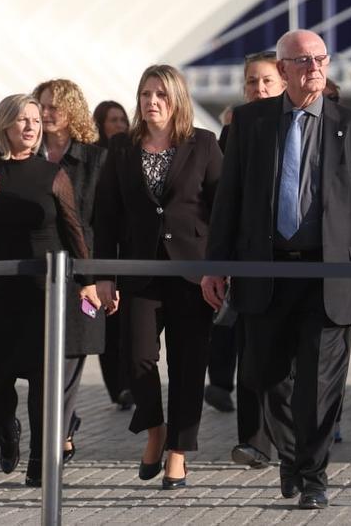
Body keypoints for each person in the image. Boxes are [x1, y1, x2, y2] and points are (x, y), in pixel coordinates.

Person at [203, 29, 351, 510]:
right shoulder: (249, 123)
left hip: (330, 276)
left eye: (320, 59)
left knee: (321, 381)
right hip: (266, 272)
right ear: (283, 69)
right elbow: (229, 203)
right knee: (266, 376)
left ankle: (313, 475)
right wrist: (215, 267)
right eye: (302, 61)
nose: (313, 67)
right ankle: (290, 454)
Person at [0, 94, 99, 488]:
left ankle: (40, 462)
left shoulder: (53, 173)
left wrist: (87, 282)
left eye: (35, 120)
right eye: (22, 120)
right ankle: (5, 431)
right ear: (4, 127)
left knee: (42, 380)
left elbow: (73, 230)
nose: (31, 127)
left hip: (44, 292)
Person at [93, 65, 223, 490]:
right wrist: (105, 275)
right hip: (140, 272)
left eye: (161, 95)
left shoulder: (203, 144)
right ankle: (155, 430)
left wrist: (219, 268)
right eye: (146, 94)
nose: (152, 102)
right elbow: (106, 216)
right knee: (137, 358)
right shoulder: (121, 148)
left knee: (189, 364)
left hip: (192, 274)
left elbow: (221, 211)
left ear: (177, 100)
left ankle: (179, 453)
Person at [205, 50, 282, 470]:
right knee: (250, 351)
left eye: (267, 81)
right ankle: (253, 440)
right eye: (252, 81)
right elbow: (222, 202)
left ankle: (287, 437)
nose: (259, 89)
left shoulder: (299, 127)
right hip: (248, 261)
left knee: (285, 358)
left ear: (284, 83)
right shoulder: (232, 133)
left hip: (293, 261)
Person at [33, 78, 112, 462]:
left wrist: (98, 277)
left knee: (69, 361)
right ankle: (58, 430)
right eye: (42, 106)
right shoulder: (28, 156)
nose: (46, 114)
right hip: (37, 272)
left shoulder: (96, 160)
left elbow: (105, 220)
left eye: (54, 107)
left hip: (80, 276)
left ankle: (56, 436)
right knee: (39, 362)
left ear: (72, 112)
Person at [90, 99, 134, 411]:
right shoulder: (93, 158)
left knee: (128, 321)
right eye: (112, 120)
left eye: (122, 119)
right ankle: (117, 388)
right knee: (108, 320)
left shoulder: (130, 153)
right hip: (101, 246)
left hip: (128, 249)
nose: (119, 125)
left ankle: (129, 383)